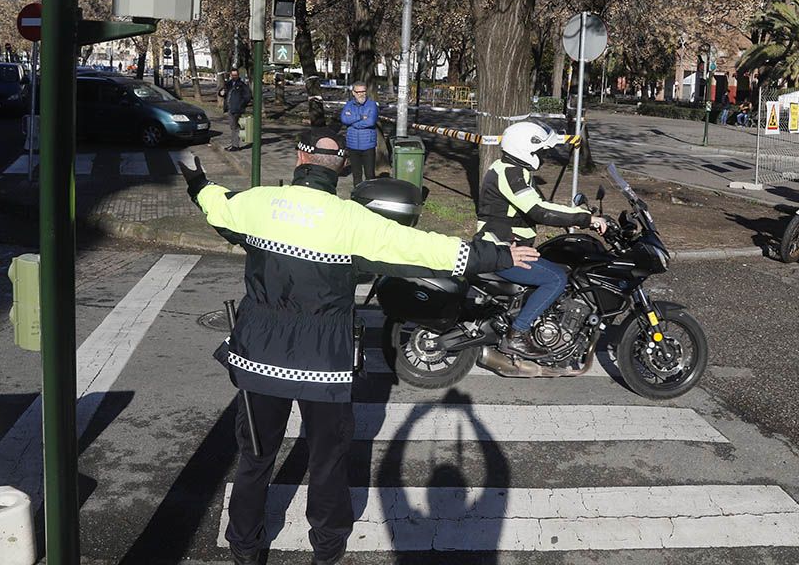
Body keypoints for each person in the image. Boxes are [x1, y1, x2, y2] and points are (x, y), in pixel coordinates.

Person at [179, 127, 538, 565]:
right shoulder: (355, 221)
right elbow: (427, 250)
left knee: (255, 458)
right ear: (342, 167)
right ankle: (327, 551)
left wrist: (196, 180)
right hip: (324, 365)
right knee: (328, 463)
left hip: (259, 357)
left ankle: (245, 548)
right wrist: (499, 256)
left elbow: (214, 204)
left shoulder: (256, 204)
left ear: (298, 157)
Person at [476, 120, 607, 357]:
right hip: (500, 250)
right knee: (556, 278)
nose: (543, 155)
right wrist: (586, 219)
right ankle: (517, 334)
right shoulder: (511, 173)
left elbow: (539, 207)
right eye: (540, 151)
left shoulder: (513, 170)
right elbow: (539, 210)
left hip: (508, 246)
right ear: (525, 149)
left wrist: (574, 219)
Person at [339, 81, 379, 185]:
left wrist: (353, 123)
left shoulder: (372, 105)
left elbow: (371, 122)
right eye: (358, 92)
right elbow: (344, 119)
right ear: (353, 92)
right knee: (356, 174)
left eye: (364, 91)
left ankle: (370, 195)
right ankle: (357, 195)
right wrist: (360, 117)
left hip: (368, 145)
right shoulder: (348, 105)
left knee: (370, 175)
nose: (362, 94)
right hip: (352, 145)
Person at [218, 68, 252, 151]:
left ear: (238, 75)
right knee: (233, 127)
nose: (234, 76)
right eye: (233, 75)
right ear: (230, 75)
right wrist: (221, 93)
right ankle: (233, 144)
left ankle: (235, 145)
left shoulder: (242, 85)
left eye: (235, 75)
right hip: (230, 108)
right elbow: (222, 92)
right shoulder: (228, 84)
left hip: (237, 109)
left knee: (235, 127)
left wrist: (241, 104)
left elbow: (248, 96)